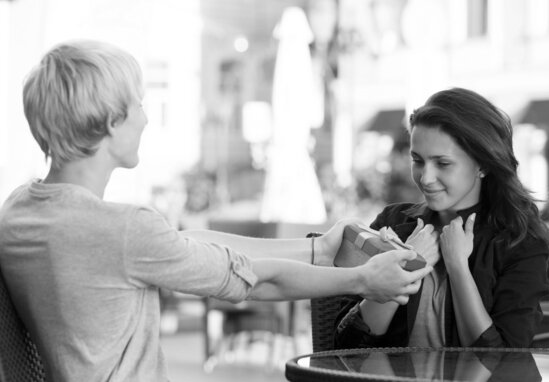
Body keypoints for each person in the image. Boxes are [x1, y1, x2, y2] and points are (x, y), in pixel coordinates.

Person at [0, 40, 432, 382]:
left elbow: (187, 246)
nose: (146, 119)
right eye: (139, 104)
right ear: (112, 122)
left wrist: (319, 248)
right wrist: (362, 279)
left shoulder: (20, 213)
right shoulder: (126, 231)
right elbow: (253, 281)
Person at [334, 87, 549, 349]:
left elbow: (502, 359)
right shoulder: (392, 224)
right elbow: (344, 347)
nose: (425, 178)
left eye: (443, 163)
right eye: (418, 160)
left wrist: (458, 266)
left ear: (482, 164)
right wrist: (404, 270)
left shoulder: (520, 242)